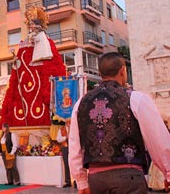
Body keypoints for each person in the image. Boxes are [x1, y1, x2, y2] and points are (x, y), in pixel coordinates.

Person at [69, 52, 170, 194]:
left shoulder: (81, 102)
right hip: (128, 178)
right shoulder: (135, 98)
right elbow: (158, 138)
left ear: (100, 73)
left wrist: (81, 181)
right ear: (123, 70)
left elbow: (75, 144)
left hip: (96, 179)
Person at [57, 119, 72, 188]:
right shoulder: (61, 129)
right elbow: (58, 139)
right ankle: (68, 181)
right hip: (65, 147)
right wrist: (65, 137)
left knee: (74, 164)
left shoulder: (74, 128)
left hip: (73, 147)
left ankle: (76, 181)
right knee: (66, 164)